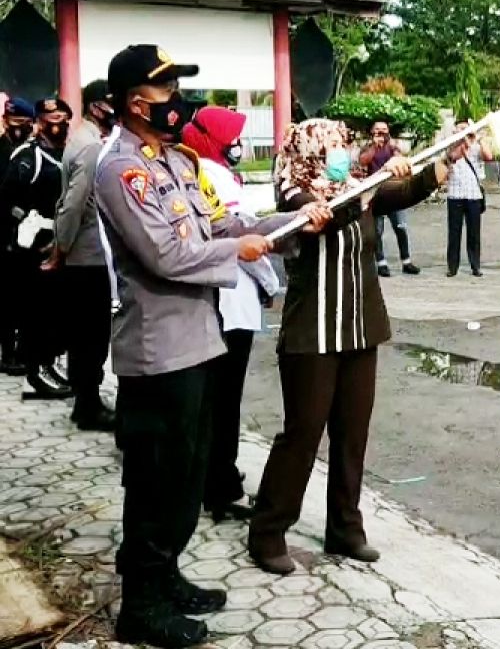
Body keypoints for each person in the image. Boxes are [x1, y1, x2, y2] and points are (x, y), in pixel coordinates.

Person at [95, 44, 329, 648]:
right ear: (134, 102)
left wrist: (285, 225)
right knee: (155, 480)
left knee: (187, 473)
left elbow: (218, 224)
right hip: (157, 351)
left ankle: (166, 574)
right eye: (167, 91)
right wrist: (239, 252)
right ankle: (140, 605)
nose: (179, 102)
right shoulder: (121, 170)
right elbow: (166, 254)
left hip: (197, 342)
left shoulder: (174, 162)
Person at [248, 119, 456, 576]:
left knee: (352, 433)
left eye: (343, 146)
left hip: (360, 326)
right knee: (302, 434)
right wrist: (371, 186)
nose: (342, 154)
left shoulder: (359, 186)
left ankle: (345, 527)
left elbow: (402, 193)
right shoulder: (294, 191)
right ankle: (268, 531)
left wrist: (444, 160)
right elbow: (326, 219)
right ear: (310, 153)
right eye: (333, 148)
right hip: (314, 331)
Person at [180, 105, 280, 523]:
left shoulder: (200, 170)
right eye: (231, 137)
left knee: (212, 400)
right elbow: (243, 236)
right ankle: (220, 485)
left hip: (220, 299)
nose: (237, 144)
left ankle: (211, 479)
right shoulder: (213, 177)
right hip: (232, 299)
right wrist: (272, 284)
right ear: (212, 137)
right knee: (224, 401)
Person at [49, 81, 119, 429]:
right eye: (110, 103)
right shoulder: (91, 147)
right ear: (95, 107)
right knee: (91, 335)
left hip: (84, 253)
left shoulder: (84, 140)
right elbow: (73, 204)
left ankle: (86, 402)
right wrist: (61, 247)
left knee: (85, 333)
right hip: (88, 256)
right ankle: (88, 405)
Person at [0, 97, 72, 397]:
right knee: (35, 312)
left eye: (61, 117)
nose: (56, 124)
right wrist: (23, 221)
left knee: (54, 312)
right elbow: (5, 198)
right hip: (32, 243)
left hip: (58, 239)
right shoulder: (28, 156)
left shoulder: (66, 153)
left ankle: (49, 362)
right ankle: (35, 369)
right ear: (40, 122)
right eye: (49, 118)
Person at [357, 121, 419, 277]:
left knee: (400, 227)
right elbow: (363, 160)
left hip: (394, 191)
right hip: (376, 193)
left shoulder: (392, 145)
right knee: (377, 230)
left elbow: (403, 158)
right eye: (377, 130)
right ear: (371, 131)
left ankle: (406, 261)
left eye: (384, 130)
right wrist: (374, 146)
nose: (381, 133)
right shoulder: (366, 146)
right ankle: (381, 263)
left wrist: (393, 146)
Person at [0, 98, 34, 375]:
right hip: (4, 233)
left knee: (23, 297)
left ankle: (23, 351)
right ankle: (8, 353)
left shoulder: (29, 151)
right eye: (14, 124)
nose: (18, 129)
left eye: (24, 124)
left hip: (28, 234)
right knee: (7, 299)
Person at [445, 119, 493, 277]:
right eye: (459, 129)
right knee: (454, 232)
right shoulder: (450, 145)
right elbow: (451, 156)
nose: (463, 131)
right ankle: (452, 266)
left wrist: (477, 137)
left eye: (465, 129)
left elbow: (488, 156)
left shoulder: (477, 146)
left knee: (474, 233)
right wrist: (460, 140)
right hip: (455, 194)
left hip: (473, 195)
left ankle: (475, 265)